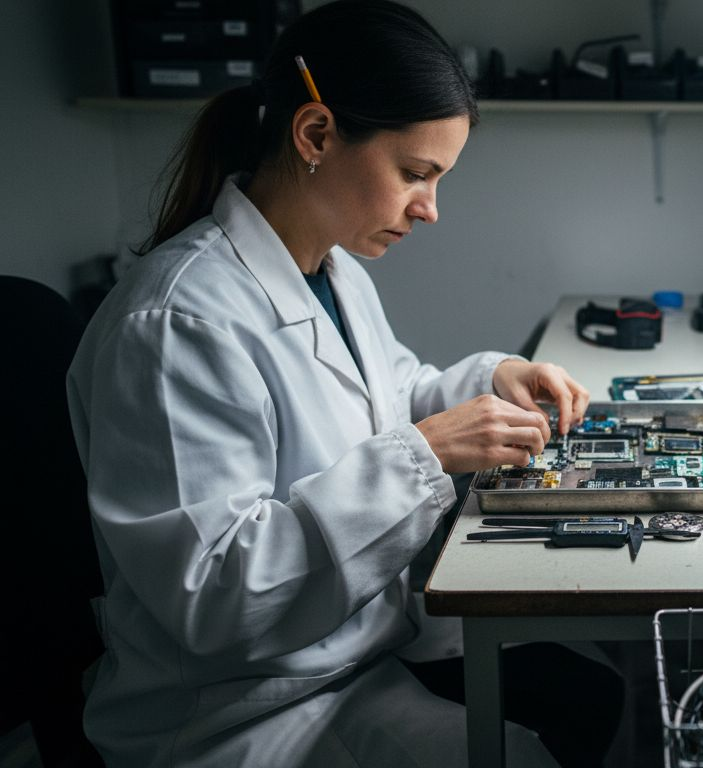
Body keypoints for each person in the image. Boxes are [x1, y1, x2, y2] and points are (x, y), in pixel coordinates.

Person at [65, 2, 609, 765]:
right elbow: (214, 596)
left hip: (352, 650)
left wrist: (498, 379)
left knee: (593, 695)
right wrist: (424, 455)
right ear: (316, 134)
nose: (430, 209)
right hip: (239, 710)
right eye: (416, 174)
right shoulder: (175, 321)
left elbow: (388, 395)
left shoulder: (331, 269)